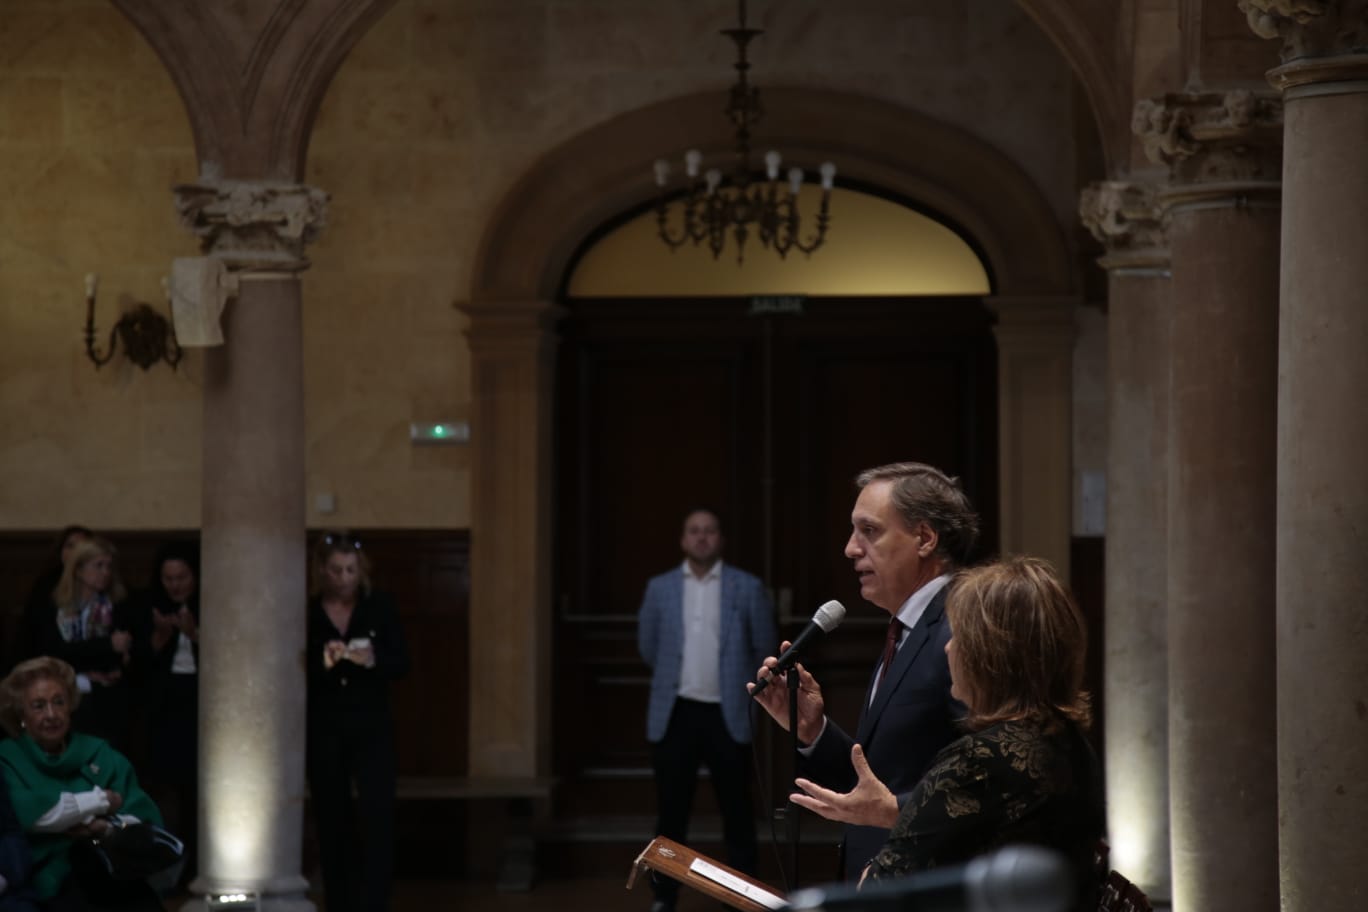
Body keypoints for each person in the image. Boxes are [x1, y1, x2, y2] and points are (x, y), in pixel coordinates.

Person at [787, 557, 1106, 911]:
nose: (948, 648)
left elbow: (879, 891)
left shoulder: (979, 757)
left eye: (960, 635)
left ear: (992, 656)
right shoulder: (1072, 742)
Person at [749, 462, 978, 880]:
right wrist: (812, 732)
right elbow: (881, 779)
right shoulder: (906, 627)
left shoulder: (959, 630)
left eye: (869, 531)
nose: (850, 549)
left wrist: (896, 810)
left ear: (925, 538)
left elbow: (989, 785)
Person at [637, 508, 776, 912]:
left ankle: (745, 898)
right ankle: (664, 897)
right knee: (670, 815)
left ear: (721, 539)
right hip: (675, 714)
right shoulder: (659, 588)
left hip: (728, 714)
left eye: (710, 531)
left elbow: (763, 646)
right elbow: (648, 647)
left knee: (738, 813)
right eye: (694, 531)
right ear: (683, 540)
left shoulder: (747, 587)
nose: (702, 538)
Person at [0, 657, 164, 912]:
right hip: (48, 879)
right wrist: (100, 803)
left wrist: (105, 828)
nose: (51, 714)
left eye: (58, 702)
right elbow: (30, 815)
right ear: (21, 714)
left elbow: (143, 817)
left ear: (70, 706)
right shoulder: (7, 758)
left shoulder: (100, 753)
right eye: (38, 706)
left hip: (111, 867)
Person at [306, 532, 410, 912]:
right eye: (336, 570)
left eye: (351, 570)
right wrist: (324, 660)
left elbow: (402, 662)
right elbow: (293, 673)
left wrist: (373, 658)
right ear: (322, 571)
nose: (344, 578)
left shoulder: (379, 607)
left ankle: (375, 901)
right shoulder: (310, 612)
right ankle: (339, 899)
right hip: (326, 728)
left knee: (377, 814)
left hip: (372, 727)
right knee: (332, 817)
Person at [134, 542, 200, 889]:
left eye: (182, 577)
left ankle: (194, 865)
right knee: (162, 784)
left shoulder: (210, 602)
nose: (175, 585)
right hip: (163, 708)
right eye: (168, 578)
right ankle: (165, 865)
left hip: (200, 706)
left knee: (195, 787)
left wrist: (194, 634)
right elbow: (139, 668)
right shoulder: (149, 606)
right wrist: (159, 639)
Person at [30, 538, 136, 751]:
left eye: (108, 566)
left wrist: (98, 652)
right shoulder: (55, 607)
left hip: (104, 700)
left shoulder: (115, 605)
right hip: (65, 695)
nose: (105, 572)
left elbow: (117, 657)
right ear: (78, 570)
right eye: (98, 565)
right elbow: (53, 654)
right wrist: (105, 645)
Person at [10, 527, 93, 672]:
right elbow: (38, 638)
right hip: (46, 663)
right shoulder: (46, 586)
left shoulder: (99, 586)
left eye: (81, 546)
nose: (75, 552)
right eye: (70, 546)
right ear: (60, 551)